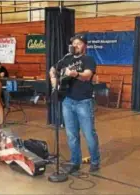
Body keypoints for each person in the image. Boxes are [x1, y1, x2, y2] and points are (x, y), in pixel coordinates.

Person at [49, 34, 101, 174]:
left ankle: (95, 161)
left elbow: (87, 76)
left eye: (79, 43)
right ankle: (75, 162)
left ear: (85, 45)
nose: (75, 45)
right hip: (67, 101)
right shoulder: (66, 59)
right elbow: (52, 70)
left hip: (84, 101)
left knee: (89, 134)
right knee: (71, 134)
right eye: (74, 43)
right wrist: (55, 85)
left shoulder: (88, 59)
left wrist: (75, 74)